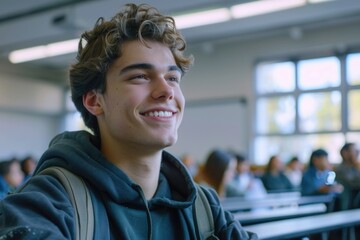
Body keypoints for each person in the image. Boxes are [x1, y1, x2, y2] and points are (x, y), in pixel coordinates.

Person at [0, 4, 254, 239]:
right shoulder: (47, 204)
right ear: (94, 101)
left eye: (173, 78)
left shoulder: (203, 207)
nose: (166, 91)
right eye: (140, 76)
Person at [334, 142, 360, 208]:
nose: (357, 153)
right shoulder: (340, 169)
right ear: (345, 153)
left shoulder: (356, 166)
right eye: (354, 150)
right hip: (349, 198)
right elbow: (352, 181)